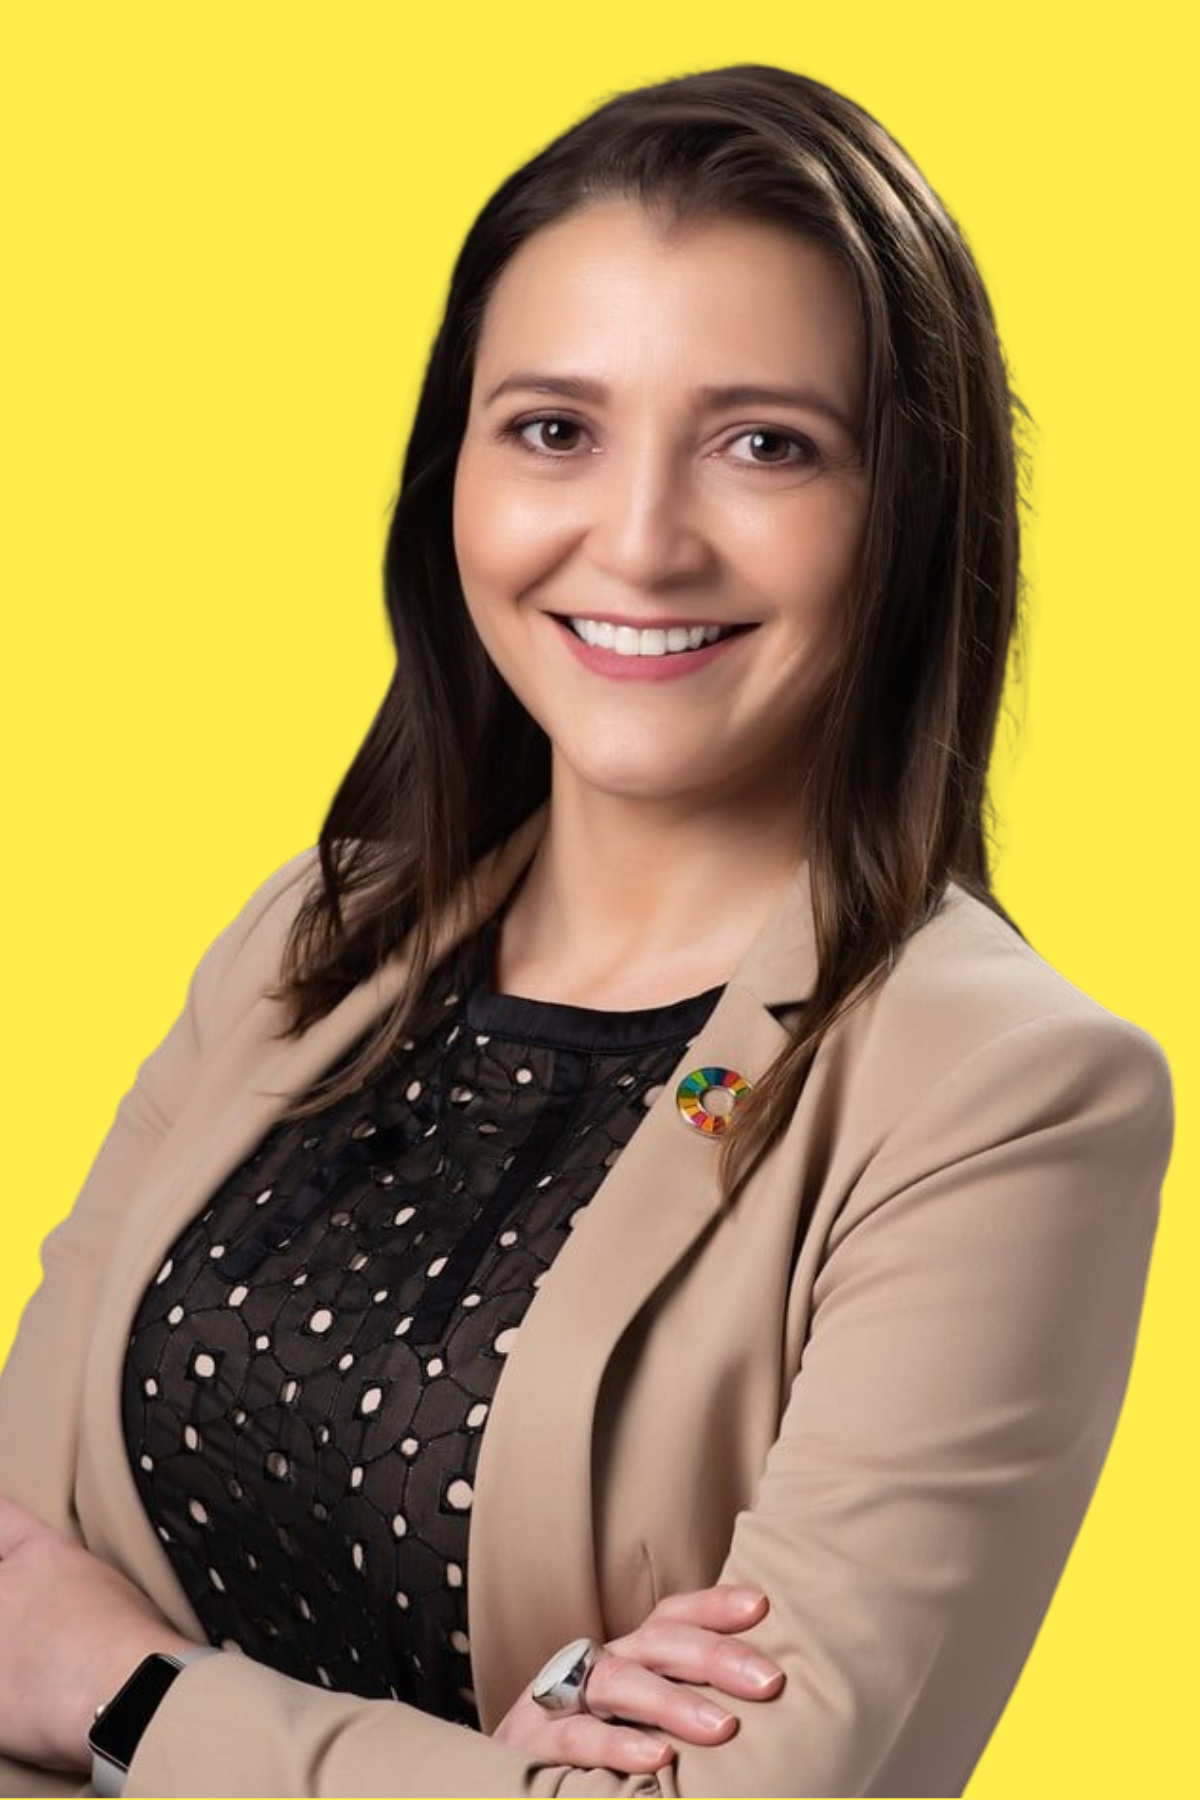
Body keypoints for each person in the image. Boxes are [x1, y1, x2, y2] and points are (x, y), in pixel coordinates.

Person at [0, 60, 1174, 1800]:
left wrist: (128, 1695)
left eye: (766, 445)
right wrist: (485, 1772)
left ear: (909, 513)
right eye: (555, 429)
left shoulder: (1008, 1098)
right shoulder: (308, 946)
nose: (638, 542)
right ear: (453, 474)